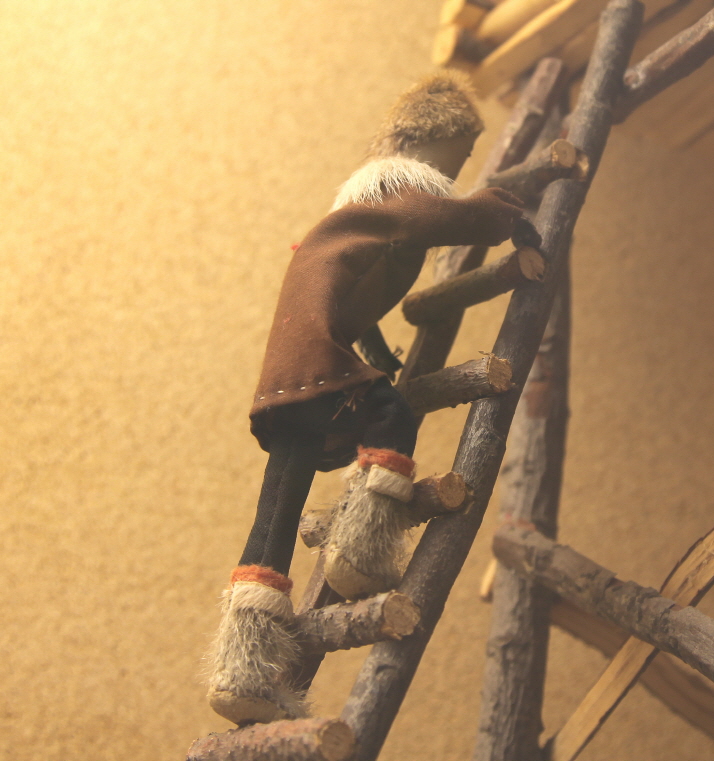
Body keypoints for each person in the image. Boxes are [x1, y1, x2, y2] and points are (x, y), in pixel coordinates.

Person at [205, 73, 538, 725]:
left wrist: (379, 356)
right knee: (392, 416)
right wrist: (505, 213)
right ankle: (359, 548)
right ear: (427, 139)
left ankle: (240, 666)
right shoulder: (394, 187)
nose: (461, 164)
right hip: (311, 361)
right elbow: (434, 217)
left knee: (274, 517)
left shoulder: (357, 214)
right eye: (460, 151)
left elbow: (352, 297)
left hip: (294, 369)